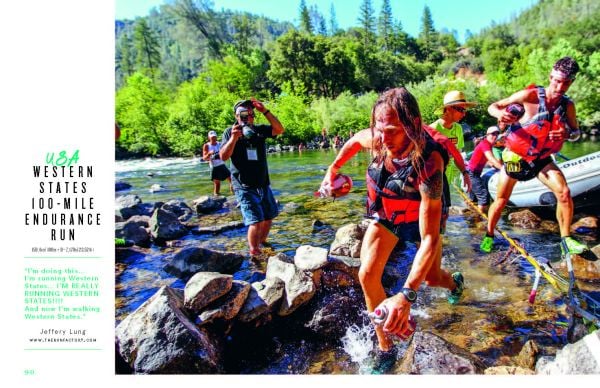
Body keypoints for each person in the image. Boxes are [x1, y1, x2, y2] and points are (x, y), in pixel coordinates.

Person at [320, 87, 464, 356]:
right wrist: (333, 170)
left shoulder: (430, 164)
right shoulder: (378, 137)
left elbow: (430, 238)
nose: (383, 139)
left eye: (393, 130)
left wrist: (406, 295)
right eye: (379, 129)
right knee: (366, 275)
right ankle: (385, 348)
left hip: (419, 216)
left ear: (414, 125)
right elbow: (353, 141)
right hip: (387, 215)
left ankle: (455, 283)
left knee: (431, 278)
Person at [480, 57, 590, 258]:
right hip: (516, 157)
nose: (560, 86)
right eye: (557, 80)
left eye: (566, 82)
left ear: (571, 82)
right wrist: (500, 115)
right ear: (550, 77)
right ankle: (488, 234)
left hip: (541, 159)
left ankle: (566, 239)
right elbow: (493, 106)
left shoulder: (567, 106)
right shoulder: (529, 96)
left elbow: (576, 133)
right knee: (501, 200)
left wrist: (567, 134)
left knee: (564, 192)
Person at [220, 98, 285, 257]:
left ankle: (262, 244)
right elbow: (223, 156)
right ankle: (255, 253)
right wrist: (234, 139)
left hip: (262, 183)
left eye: (251, 114)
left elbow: (279, 129)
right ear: (236, 116)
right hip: (244, 185)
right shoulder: (230, 132)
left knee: (269, 217)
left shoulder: (258, 130)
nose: (248, 117)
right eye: (244, 114)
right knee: (255, 221)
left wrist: (265, 111)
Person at [467, 126, 503, 212]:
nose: (495, 136)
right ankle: (481, 220)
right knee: (484, 197)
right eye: (493, 134)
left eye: (497, 134)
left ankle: (472, 218)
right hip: (472, 174)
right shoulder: (485, 144)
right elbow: (491, 159)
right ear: (487, 135)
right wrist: (504, 169)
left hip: (474, 174)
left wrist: (495, 166)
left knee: (474, 199)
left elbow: (489, 161)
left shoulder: (488, 145)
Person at [202, 130, 232, 196]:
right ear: (209, 138)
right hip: (214, 166)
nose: (213, 138)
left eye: (214, 137)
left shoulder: (220, 144)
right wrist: (209, 153)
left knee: (231, 180)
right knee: (217, 184)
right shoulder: (206, 145)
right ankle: (216, 197)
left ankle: (232, 195)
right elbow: (204, 158)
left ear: (216, 137)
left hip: (222, 164)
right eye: (212, 137)